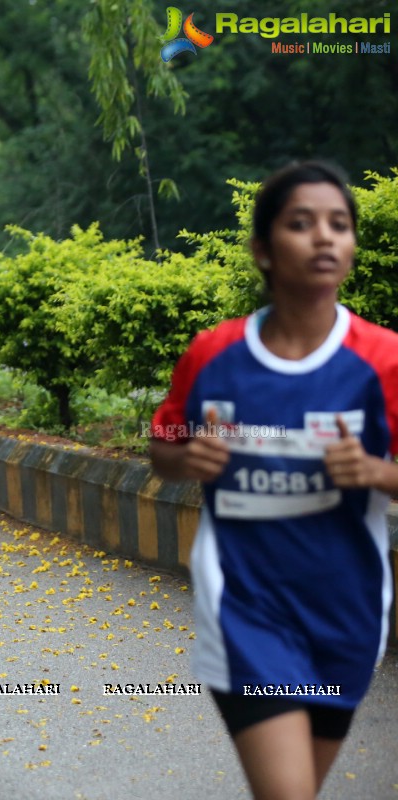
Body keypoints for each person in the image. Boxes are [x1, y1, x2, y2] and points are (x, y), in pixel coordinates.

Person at [148, 161, 398, 800]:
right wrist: (185, 456)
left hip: (347, 613)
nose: (324, 238)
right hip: (247, 608)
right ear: (263, 249)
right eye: (301, 224)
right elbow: (164, 442)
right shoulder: (213, 354)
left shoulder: (383, 360)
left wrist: (375, 472)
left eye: (339, 225)